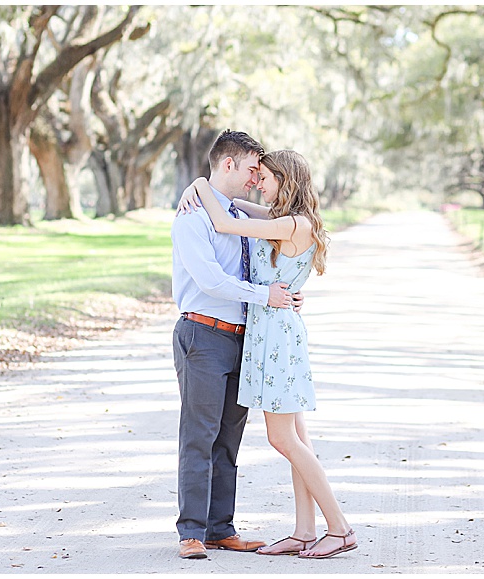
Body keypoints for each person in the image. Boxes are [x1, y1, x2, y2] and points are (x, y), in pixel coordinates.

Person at [177, 149, 358, 559]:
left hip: (276, 337)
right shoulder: (284, 218)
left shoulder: (292, 223)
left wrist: (202, 185)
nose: (258, 182)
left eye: (266, 176)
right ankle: (304, 529)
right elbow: (236, 206)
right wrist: (202, 186)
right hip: (273, 331)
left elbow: (225, 220)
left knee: (282, 439)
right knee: (298, 439)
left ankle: (340, 528)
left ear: (286, 179)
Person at [171, 130, 302, 560]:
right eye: (250, 169)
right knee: (199, 436)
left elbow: (275, 253)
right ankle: (190, 531)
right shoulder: (193, 216)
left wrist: (287, 291)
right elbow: (211, 280)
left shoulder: (237, 214)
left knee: (228, 438)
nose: (254, 178)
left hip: (243, 338)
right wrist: (268, 297)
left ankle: (219, 528)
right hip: (204, 335)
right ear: (228, 164)